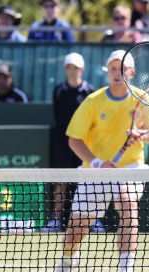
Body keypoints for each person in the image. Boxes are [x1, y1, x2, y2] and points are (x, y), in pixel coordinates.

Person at [52, 50, 149, 272]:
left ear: (131, 73)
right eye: (113, 68)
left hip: (131, 166)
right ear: (107, 72)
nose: (117, 73)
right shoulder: (93, 101)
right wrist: (97, 162)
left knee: (127, 202)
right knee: (77, 228)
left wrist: (140, 135)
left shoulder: (142, 98)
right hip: (96, 170)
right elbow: (74, 139)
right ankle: (68, 261)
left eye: (122, 69)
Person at [42, 52, 96, 232]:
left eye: (76, 68)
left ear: (82, 69)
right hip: (62, 143)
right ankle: (56, 220)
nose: (73, 71)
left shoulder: (91, 92)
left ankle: (94, 221)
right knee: (61, 181)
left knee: (89, 182)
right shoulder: (58, 91)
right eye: (69, 68)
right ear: (66, 69)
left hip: (85, 144)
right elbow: (58, 115)